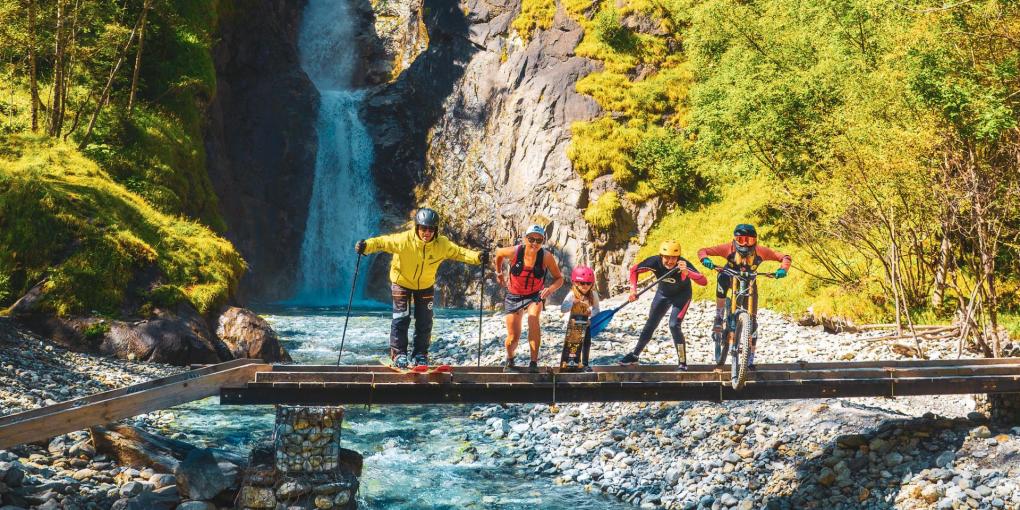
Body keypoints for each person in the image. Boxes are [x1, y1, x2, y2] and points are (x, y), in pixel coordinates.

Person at [356, 208, 487, 369]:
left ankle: (420, 354)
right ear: (417, 227)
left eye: (431, 229)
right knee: (401, 318)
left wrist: (478, 257)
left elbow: (459, 253)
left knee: (425, 321)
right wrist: (366, 246)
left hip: (425, 285)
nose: (427, 232)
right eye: (423, 228)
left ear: (436, 230)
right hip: (401, 282)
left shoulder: (442, 244)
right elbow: (383, 242)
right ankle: (399, 355)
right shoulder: (404, 240)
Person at [697, 223, 790, 369]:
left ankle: (750, 359)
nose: (745, 244)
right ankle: (719, 315)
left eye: (749, 240)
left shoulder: (761, 251)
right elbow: (703, 251)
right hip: (729, 277)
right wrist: (706, 260)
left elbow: (785, 257)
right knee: (722, 277)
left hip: (749, 282)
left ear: (756, 241)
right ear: (735, 240)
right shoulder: (728, 248)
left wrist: (783, 269)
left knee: (752, 321)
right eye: (741, 240)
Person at [618, 240, 707, 369]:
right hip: (663, 295)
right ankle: (635, 356)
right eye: (667, 257)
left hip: (682, 296)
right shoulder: (654, 262)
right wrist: (633, 290)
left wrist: (688, 273)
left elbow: (703, 281)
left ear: (678, 257)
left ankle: (682, 362)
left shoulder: (684, 264)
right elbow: (634, 270)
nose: (670, 261)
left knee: (674, 325)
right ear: (661, 256)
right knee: (651, 323)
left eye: (674, 258)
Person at [492, 224, 564, 373]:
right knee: (513, 338)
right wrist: (499, 273)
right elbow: (498, 253)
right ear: (525, 239)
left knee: (533, 319)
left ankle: (533, 363)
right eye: (531, 239)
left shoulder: (546, 257)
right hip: (514, 296)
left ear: (543, 242)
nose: (535, 243)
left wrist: (549, 289)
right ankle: (510, 359)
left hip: (534, 296)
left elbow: (559, 279)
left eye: (539, 240)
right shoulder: (514, 251)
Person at [559, 265, 601, 372]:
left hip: (585, 322)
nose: (585, 286)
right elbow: (563, 309)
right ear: (575, 283)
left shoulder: (593, 294)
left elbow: (597, 309)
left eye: (588, 283)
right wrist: (573, 303)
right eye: (582, 283)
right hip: (573, 323)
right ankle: (570, 363)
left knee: (586, 342)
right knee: (573, 344)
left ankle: (585, 364)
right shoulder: (572, 294)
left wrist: (591, 315)